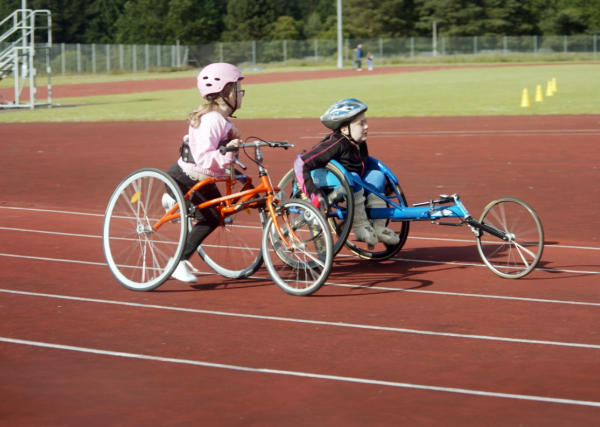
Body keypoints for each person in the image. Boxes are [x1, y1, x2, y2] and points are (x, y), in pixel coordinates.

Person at [162, 63, 245, 283]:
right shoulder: (212, 120)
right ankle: (178, 262)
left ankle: (177, 202)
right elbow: (205, 159)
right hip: (184, 179)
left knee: (220, 213)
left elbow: (220, 159)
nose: (241, 94)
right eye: (238, 89)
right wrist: (230, 151)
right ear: (226, 92)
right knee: (212, 218)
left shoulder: (222, 120)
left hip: (202, 179)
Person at [293, 99, 399, 246]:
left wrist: (384, 185)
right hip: (318, 180)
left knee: (377, 175)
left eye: (366, 122)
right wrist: (313, 194)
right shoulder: (336, 142)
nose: (367, 126)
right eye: (361, 124)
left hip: (349, 181)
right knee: (353, 177)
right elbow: (300, 163)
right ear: (344, 129)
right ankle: (361, 226)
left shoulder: (359, 144)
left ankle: (379, 228)